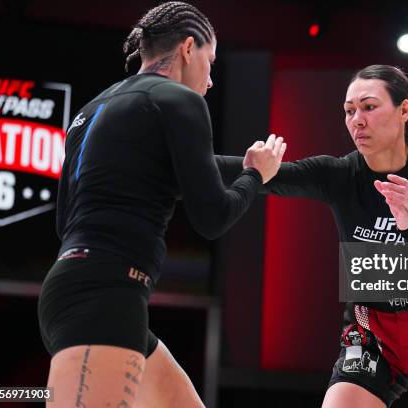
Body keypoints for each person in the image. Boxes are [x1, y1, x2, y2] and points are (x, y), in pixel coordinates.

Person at [217, 64, 408, 408]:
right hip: (370, 337)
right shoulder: (340, 174)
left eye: (369, 107)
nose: (357, 120)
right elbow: (255, 174)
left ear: (404, 110)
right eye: (350, 111)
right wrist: (176, 167)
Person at [37, 2, 286, 407]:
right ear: (189, 48)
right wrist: (255, 175)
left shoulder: (90, 110)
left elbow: (64, 222)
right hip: (105, 297)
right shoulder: (179, 100)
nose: (210, 80)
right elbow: (213, 216)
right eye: (211, 61)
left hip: (78, 288)